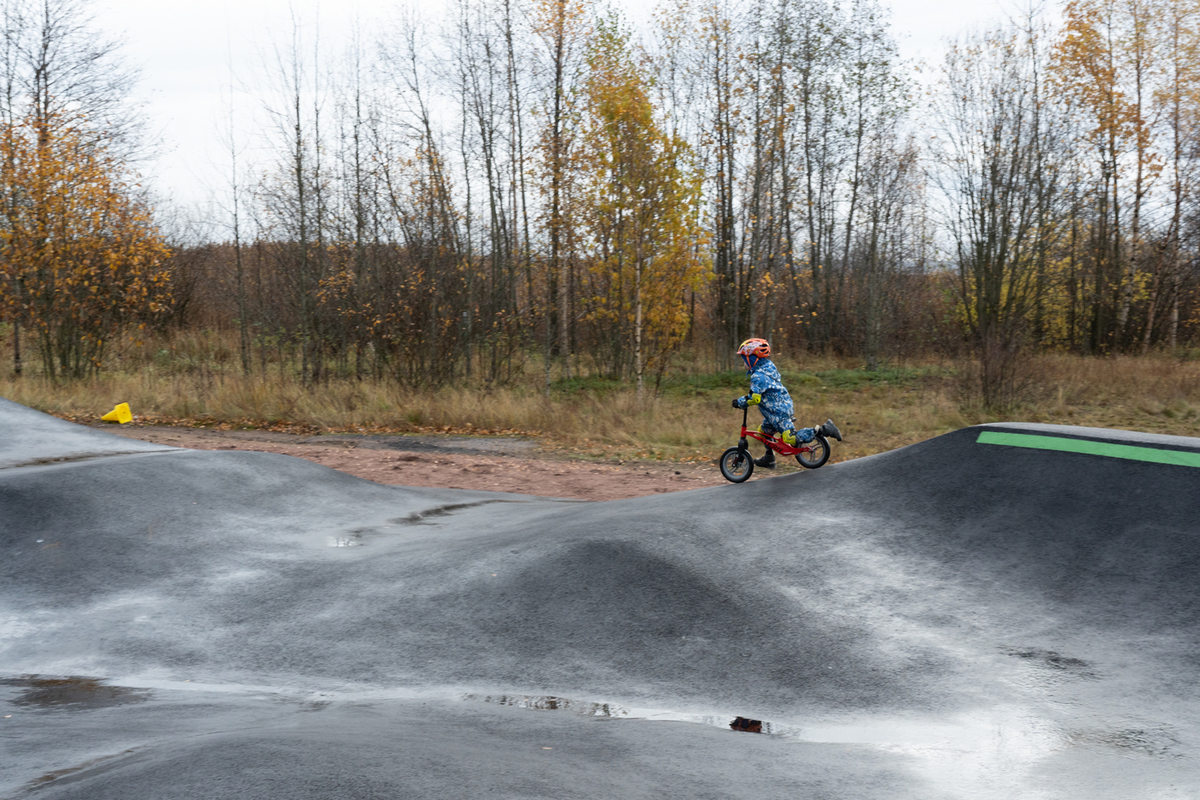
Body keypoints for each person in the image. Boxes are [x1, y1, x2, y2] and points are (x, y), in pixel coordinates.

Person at [731, 338, 840, 468]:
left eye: (745, 360)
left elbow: (755, 398)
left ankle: (823, 429)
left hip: (779, 412)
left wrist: (740, 402)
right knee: (763, 432)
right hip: (775, 411)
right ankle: (769, 458)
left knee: (789, 437)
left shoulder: (758, 376)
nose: (744, 364)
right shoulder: (767, 368)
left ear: (753, 358)